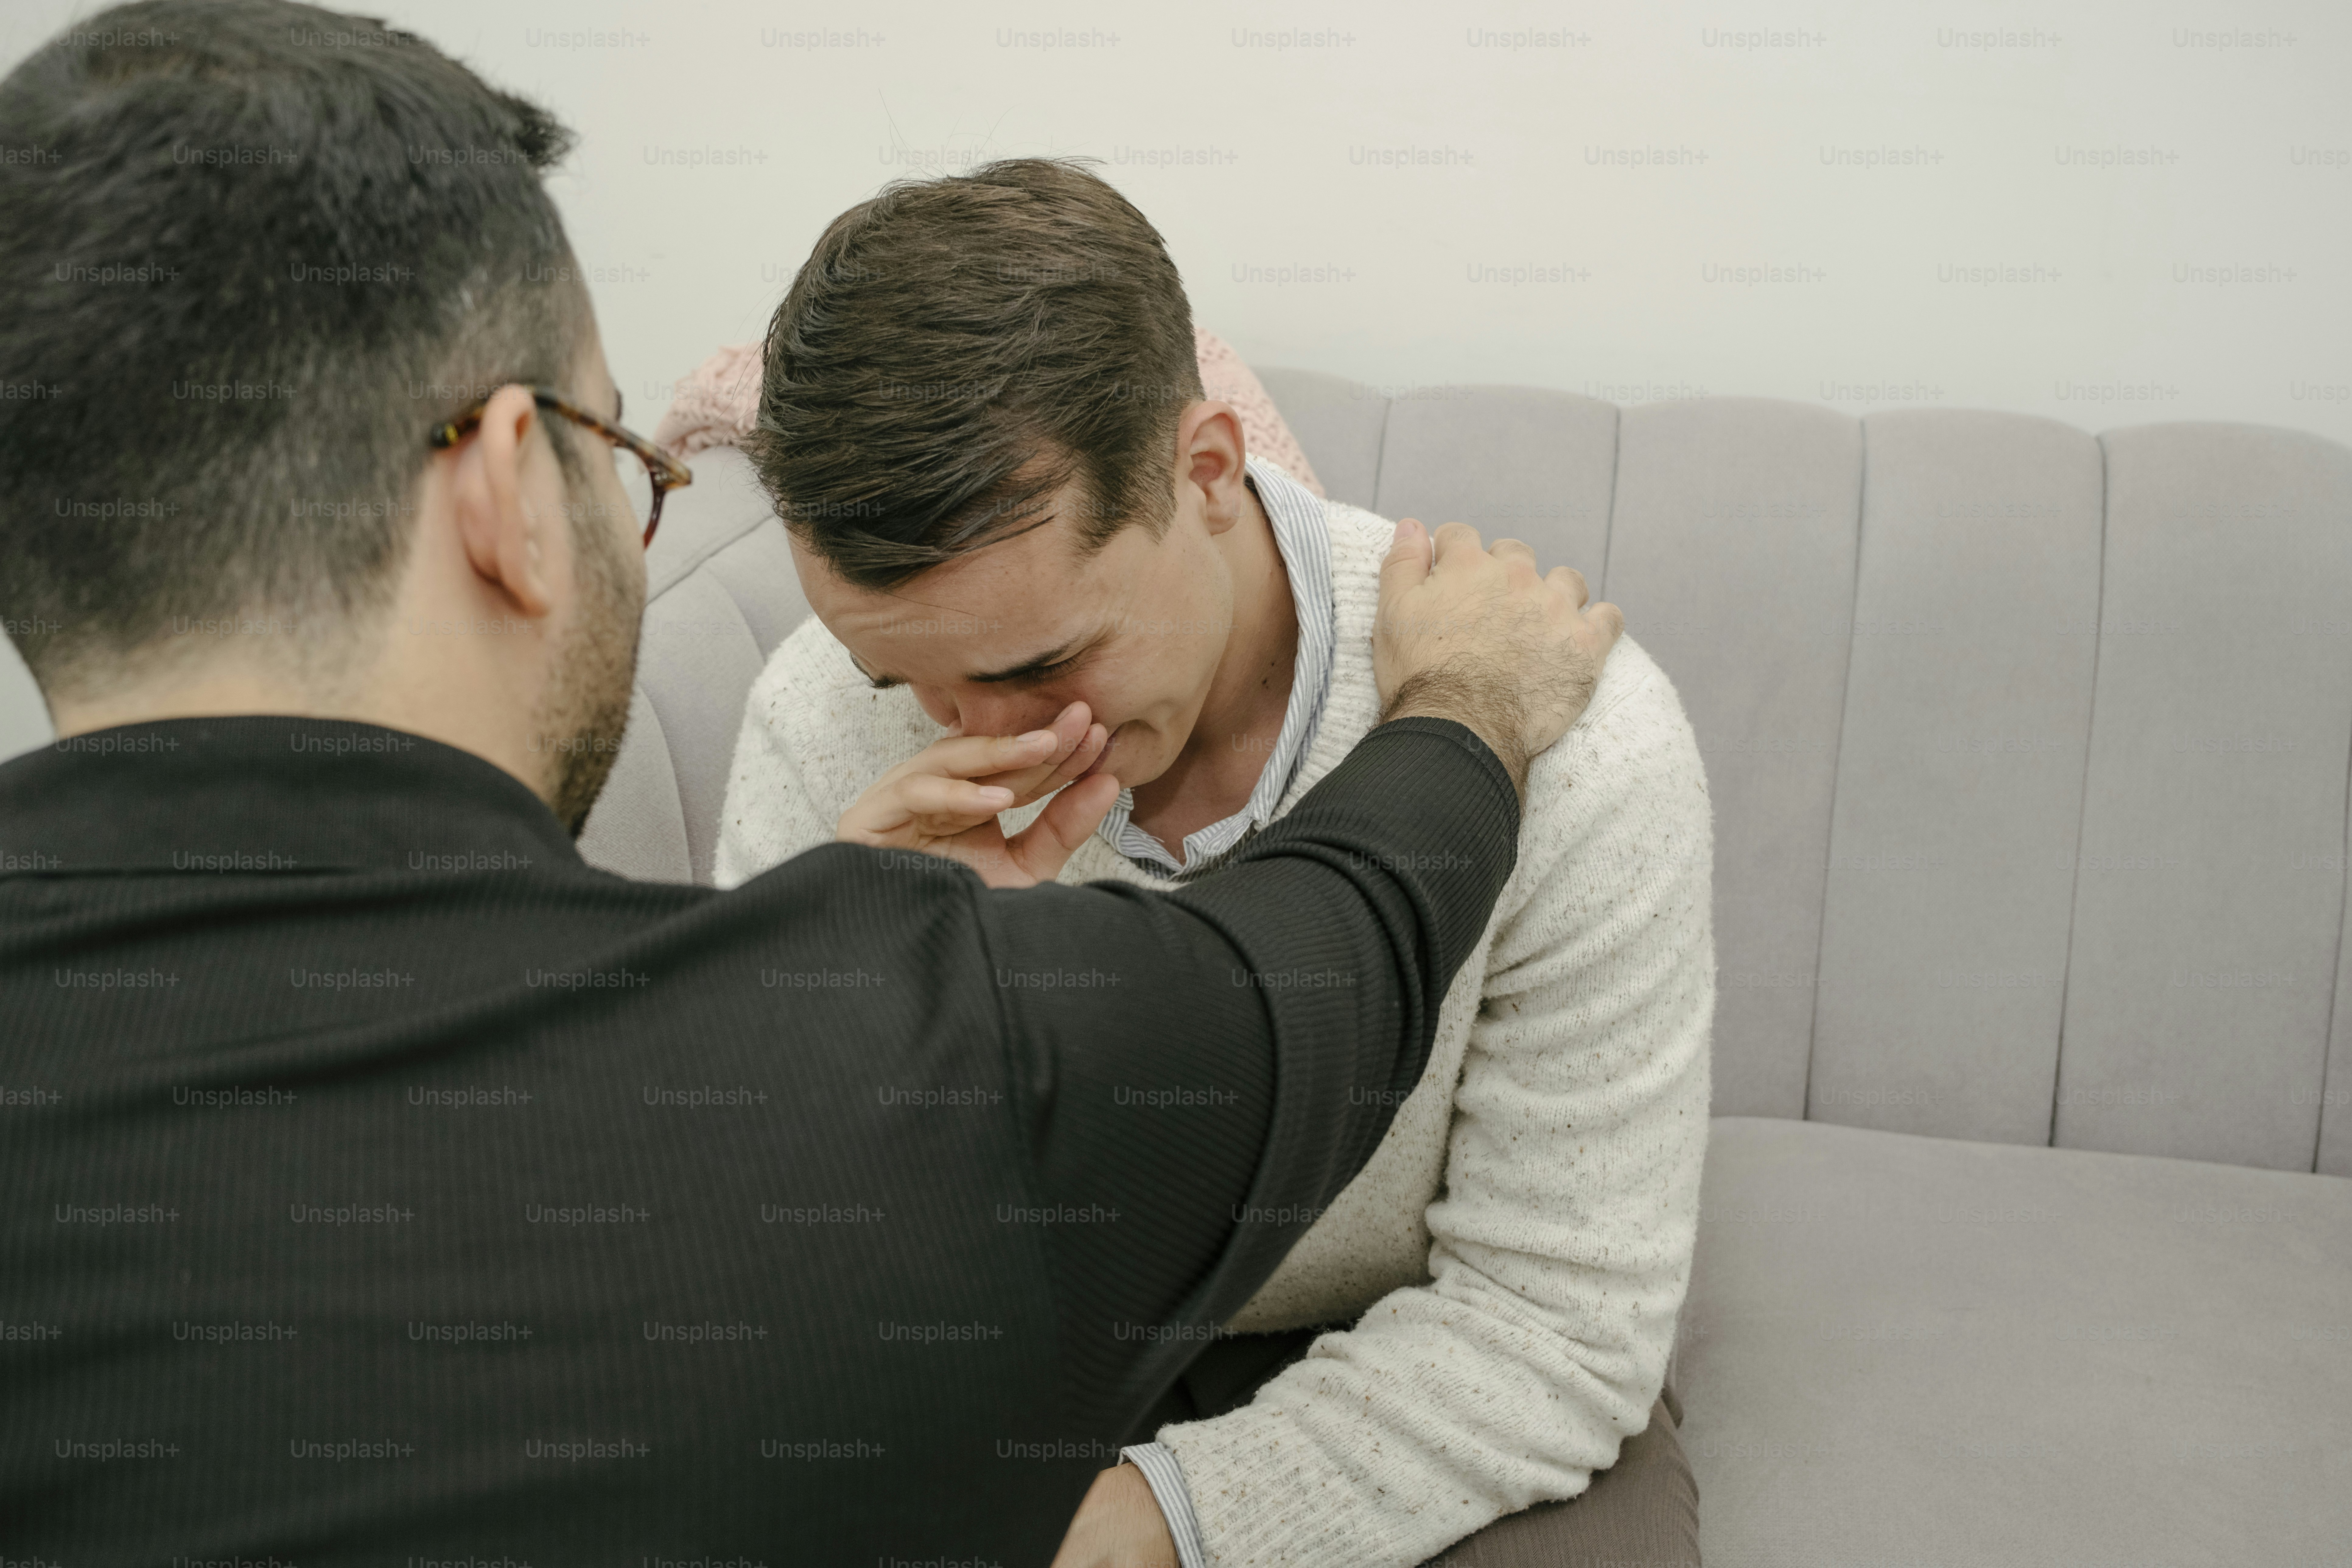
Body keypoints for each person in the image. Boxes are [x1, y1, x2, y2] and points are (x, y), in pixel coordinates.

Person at [0, 5, 1623, 1563]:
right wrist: (1473, 698)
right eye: (621, 457)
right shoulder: (864, 1084)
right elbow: (1334, 960)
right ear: (510, 486)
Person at [717, 159, 1715, 1567]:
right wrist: (862, 1011)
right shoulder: (824, 716)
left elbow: (1552, 1323)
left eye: (1044, 658)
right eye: (905, 679)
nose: (989, 732)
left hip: (1428, 1345)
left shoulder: (1576, 745)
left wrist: (1153, 1524)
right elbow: (775, 1278)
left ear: (1207, 471)